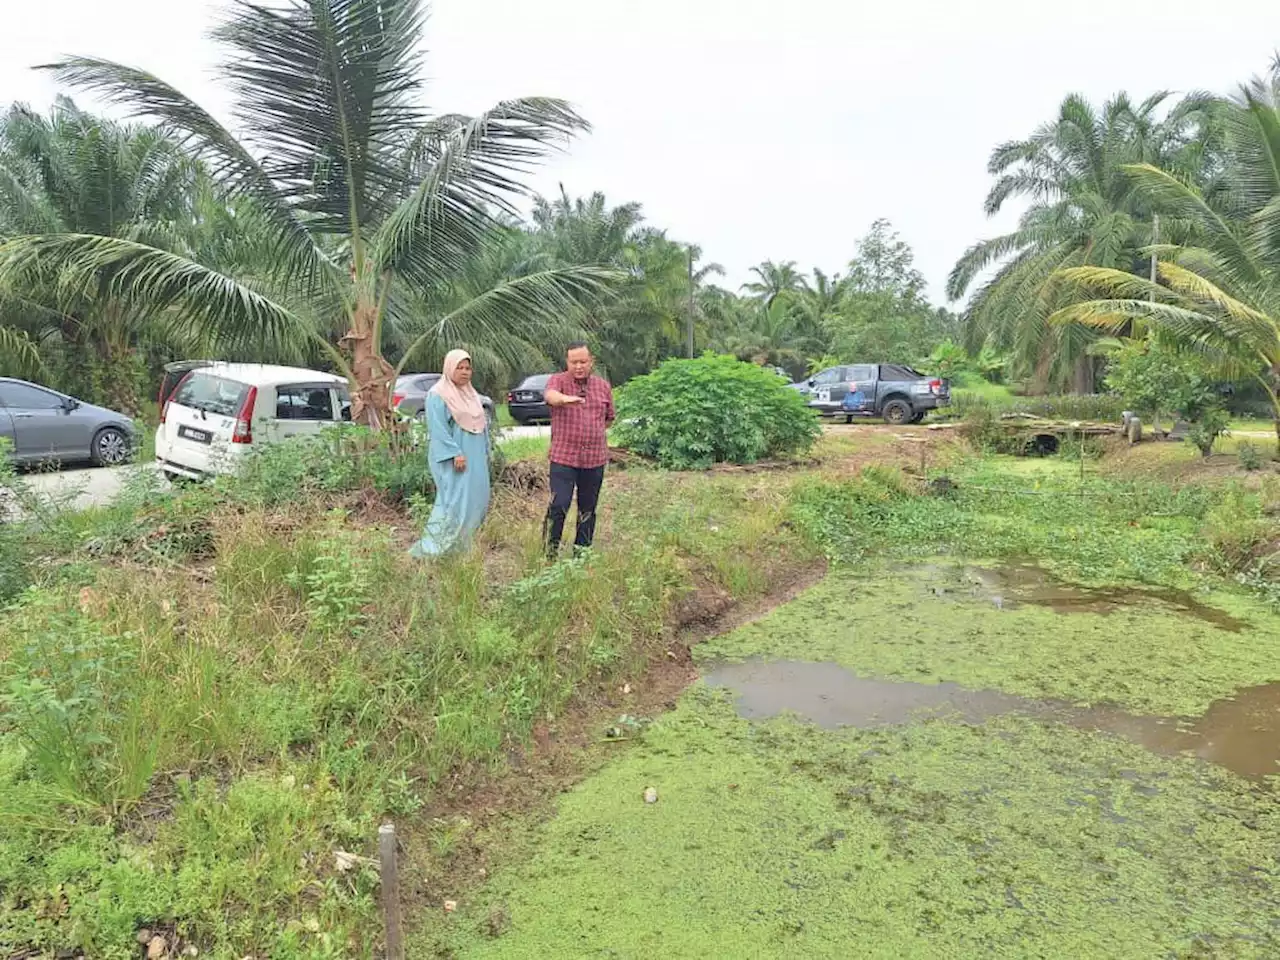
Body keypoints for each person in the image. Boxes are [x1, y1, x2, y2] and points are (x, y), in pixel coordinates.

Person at [409, 350, 491, 558]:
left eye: (468, 368)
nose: (464, 372)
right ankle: (435, 547)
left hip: (475, 457)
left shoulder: (471, 394)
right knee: (454, 502)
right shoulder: (438, 394)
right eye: (459, 367)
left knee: (476, 499)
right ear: (448, 368)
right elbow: (437, 428)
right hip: (455, 458)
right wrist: (455, 454)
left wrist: (485, 451)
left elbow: (480, 425)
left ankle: (463, 546)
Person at [542, 342, 615, 557]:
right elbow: (550, 396)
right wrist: (565, 400)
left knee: (588, 509)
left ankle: (581, 555)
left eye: (583, 362)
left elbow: (609, 418)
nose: (579, 366)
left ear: (591, 362)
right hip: (564, 457)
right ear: (567, 362)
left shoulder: (603, 386)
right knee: (559, 504)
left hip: (594, 459)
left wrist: (592, 432)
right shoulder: (559, 381)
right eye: (574, 362)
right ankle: (549, 552)